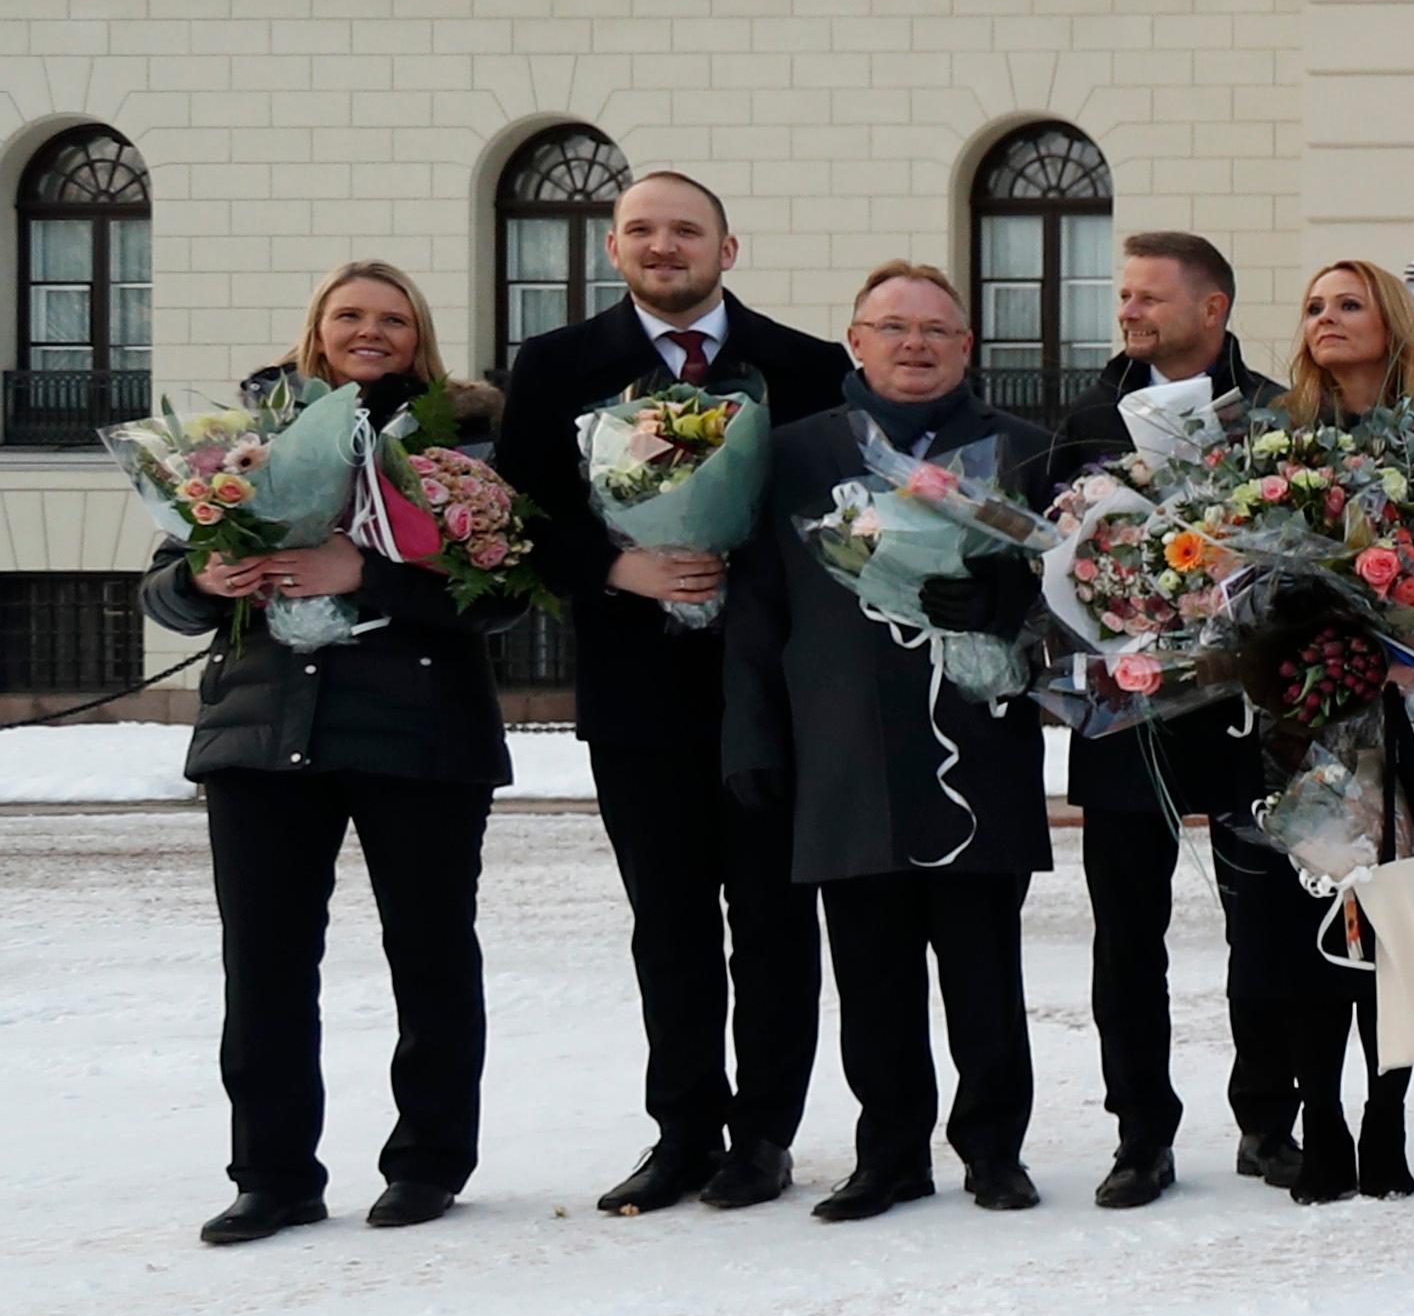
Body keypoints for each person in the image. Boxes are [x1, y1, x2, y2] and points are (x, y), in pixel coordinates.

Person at [497, 166, 852, 1213]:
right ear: (613, 249)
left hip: (771, 694)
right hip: (638, 690)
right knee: (670, 922)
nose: (665, 247)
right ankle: (683, 1130)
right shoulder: (559, 365)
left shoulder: (802, 365)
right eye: (642, 231)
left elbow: (835, 519)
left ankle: (766, 1137)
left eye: (686, 231)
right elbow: (519, 515)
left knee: (778, 925)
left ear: (725, 251)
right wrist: (617, 565)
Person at [150, 264, 509, 1246]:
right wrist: (206, 572)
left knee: (430, 957)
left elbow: (507, 593)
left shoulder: (460, 442)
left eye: (393, 319)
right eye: (350, 314)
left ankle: (429, 1161)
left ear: (418, 336)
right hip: (262, 736)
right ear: (317, 326)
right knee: (263, 966)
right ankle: (271, 1176)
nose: (371, 330)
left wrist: (373, 574)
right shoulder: (238, 439)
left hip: (420, 732)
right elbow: (164, 594)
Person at [721, 261, 1053, 1222]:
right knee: (869, 971)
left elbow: (1073, 593)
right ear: (855, 341)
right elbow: (757, 608)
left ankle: (994, 1148)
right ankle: (891, 1152)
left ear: (966, 349)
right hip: (841, 747)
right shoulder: (791, 453)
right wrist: (752, 739)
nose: (915, 344)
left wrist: (1001, 601)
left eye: (936, 330)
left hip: (973, 743)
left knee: (984, 967)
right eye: (893, 327)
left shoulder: (1020, 450)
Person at [1047, 230, 1277, 1207]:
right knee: (1125, 936)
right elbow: (1049, 558)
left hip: (1249, 711)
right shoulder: (1088, 416)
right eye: (1124, 296)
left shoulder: (1269, 413)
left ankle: (1269, 1121)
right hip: (1126, 709)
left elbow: (1303, 548)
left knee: (1263, 925)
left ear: (1212, 307)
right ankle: (1141, 1135)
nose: (1129, 312)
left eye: (1150, 297)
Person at [1244, 258, 1414, 1204]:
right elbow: (1238, 570)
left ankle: (1388, 1117)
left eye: (1348, 303)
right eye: (1313, 307)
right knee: (1305, 933)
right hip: (1303, 714)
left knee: (1396, 923)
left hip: (1406, 718)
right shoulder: (1271, 443)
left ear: (1395, 323)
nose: (1326, 318)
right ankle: (1322, 1122)